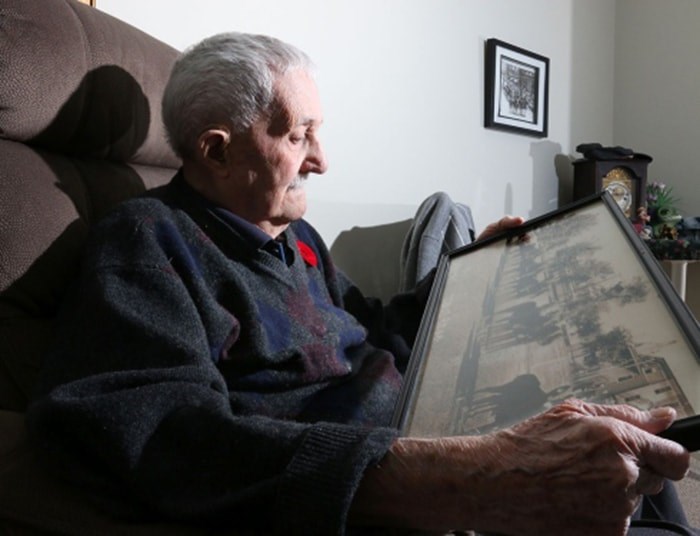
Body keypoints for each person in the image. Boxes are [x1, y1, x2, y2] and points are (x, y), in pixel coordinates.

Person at [27, 32, 692, 536]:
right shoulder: (146, 240)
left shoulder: (297, 239)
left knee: (627, 424)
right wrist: (473, 479)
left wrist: (464, 278)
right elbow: (161, 433)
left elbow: (369, 328)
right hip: (390, 479)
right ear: (216, 149)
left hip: (427, 420)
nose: (321, 160)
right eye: (299, 135)